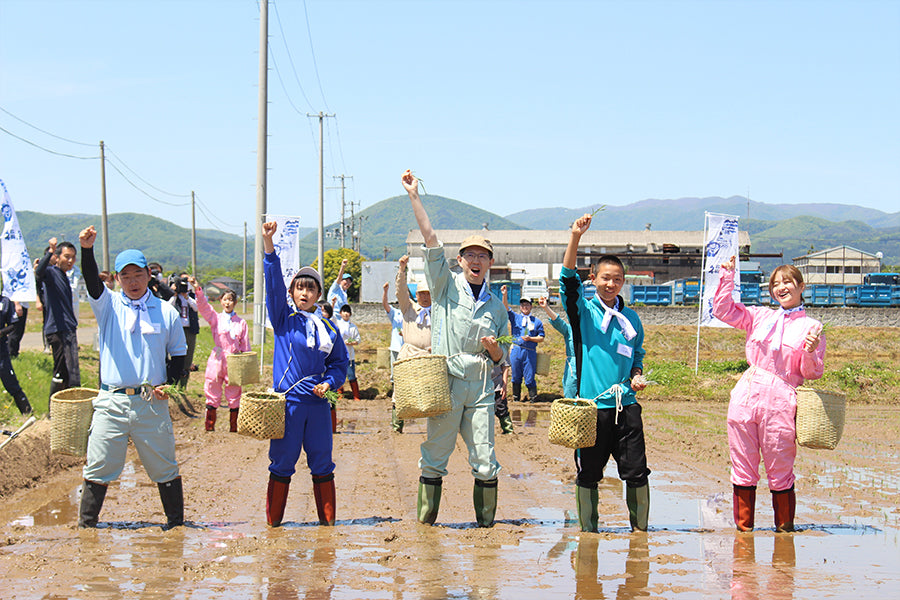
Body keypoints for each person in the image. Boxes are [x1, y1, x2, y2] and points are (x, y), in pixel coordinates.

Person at [402, 169, 508, 528]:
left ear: (491, 263)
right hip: (446, 380)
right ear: (460, 260)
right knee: (435, 454)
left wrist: (496, 353)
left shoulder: (497, 307)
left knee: (485, 457)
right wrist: (414, 196)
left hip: (480, 386)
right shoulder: (446, 288)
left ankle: (486, 527)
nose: (476, 261)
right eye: (470, 256)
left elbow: (502, 357)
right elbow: (431, 241)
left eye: (483, 256)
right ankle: (426, 524)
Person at [76, 225, 188, 529]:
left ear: (149, 275)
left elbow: (179, 355)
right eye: (125, 276)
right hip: (111, 401)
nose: (133, 281)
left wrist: (171, 384)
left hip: (151, 402)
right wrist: (86, 250)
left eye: (138, 274)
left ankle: (175, 526)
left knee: (164, 466)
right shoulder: (109, 305)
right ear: (116, 279)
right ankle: (87, 527)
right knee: (98, 466)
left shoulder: (166, 312)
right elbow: (90, 280)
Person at [713, 255, 825, 533]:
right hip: (746, 396)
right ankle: (744, 531)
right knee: (742, 464)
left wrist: (810, 351)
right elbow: (723, 310)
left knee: (780, 467)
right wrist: (726, 276)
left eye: (788, 282)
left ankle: (784, 532)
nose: (781, 288)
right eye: (776, 283)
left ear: (801, 287)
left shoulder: (811, 327)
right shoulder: (759, 316)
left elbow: (811, 372)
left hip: (781, 401)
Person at [560, 213, 650, 533]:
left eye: (617, 279)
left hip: (626, 409)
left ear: (623, 282)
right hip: (592, 410)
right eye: (605, 278)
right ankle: (589, 533)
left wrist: (637, 374)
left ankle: (640, 533)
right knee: (588, 475)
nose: (610, 284)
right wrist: (575, 237)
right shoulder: (582, 313)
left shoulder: (632, 321)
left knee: (637, 473)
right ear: (594, 278)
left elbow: (637, 356)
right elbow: (567, 280)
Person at [262, 220, 349, 527]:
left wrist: (330, 382)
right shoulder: (284, 320)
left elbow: (340, 364)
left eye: (310, 287)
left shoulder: (328, 328)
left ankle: (328, 528)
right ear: (293, 291)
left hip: (318, 407)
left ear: (317, 294)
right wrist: (269, 245)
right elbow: (273, 283)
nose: (305, 292)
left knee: (323, 464)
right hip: (289, 407)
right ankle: (274, 524)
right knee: (283, 464)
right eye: (300, 286)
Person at [190, 280, 250, 433]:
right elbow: (203, 307)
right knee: (212, 387)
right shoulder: (215, 318)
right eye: (225, 300)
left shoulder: (241, 323)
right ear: (221, 301)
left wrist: (246, 363)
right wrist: (198, 290)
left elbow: (245, 345)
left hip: (234, 359)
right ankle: (209, 427)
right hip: (217, 358)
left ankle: (234, 427)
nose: (228, 302)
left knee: (234, 391)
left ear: (235, 302)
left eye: (230, 300)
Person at [34, 237, 81, 405]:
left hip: (68, 328)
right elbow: (39, 271)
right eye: (67, 256)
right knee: (62, 371)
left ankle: (68, 406)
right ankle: (53, 409)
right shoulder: (52, 272)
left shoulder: (63, 275)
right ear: (57, 257)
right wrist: (50, 251)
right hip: (58, 330)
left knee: (70, 372)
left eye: (73, 257)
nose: (70, 260)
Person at [392, 254, 434, 434]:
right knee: (401, 392)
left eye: (427, 293)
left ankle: (437, 429)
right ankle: (396, 426)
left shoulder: (439, 311)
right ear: (416, 295)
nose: (424, 297)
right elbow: (400, 291)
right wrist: (402, 270)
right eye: (421, 294)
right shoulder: (408, 308)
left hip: (432, 357)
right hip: (409, 355)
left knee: (435, 394)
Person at [501, 289, 545, 402]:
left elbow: (541, 338)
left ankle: (533, 398)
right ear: (520, 307)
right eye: (523, 304)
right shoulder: (515, 317)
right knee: (515, 376)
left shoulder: (537, 321)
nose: (525, 306)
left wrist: (531, 338)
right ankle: (516, 398)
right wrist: (504, 295)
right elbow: (505, 307)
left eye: (527, 304)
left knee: (529, 376)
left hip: (529, 351)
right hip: (516, 350)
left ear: (531, 306)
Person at [537, 296, 577, 399]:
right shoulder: (569, 329)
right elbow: (557, 321)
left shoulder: (591, 330)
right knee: (570, 392)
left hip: (588, 365)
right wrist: (546, 307)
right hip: (572, 367)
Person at [0, 294, 32, 414]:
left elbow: (13, 325)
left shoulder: (5, 302)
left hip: (1, 351)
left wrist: (2, 332)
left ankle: (27, 413)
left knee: (11, 382)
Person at [169, 274, 200, 388]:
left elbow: (197, 307)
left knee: (188, 357)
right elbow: (168, 306)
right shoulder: (174, 297)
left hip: (190, 329)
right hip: (177, 328)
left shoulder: (191, 295)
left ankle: (183, 386)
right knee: (176, 356)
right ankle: (173, 384)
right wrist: (175, 294)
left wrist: (186, 296)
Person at [336, 304, 362, 401]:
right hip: (339, 354)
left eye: (348, 312)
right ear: (340, 313)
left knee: (351, 375)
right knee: (339, 375)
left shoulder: (353, 327)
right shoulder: (338, 324)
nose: (346, 314)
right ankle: (339, 395)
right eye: (344, 312)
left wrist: (352, 342)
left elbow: (358, 339)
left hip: (349, 355)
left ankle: (356, 396)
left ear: (350, 314)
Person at [491, 358, 514, 434]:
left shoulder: (503, 347)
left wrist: (504, 385)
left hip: (497, 384)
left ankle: (508, 430)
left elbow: (505, 367)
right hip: (481, 386)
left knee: (501, 408)